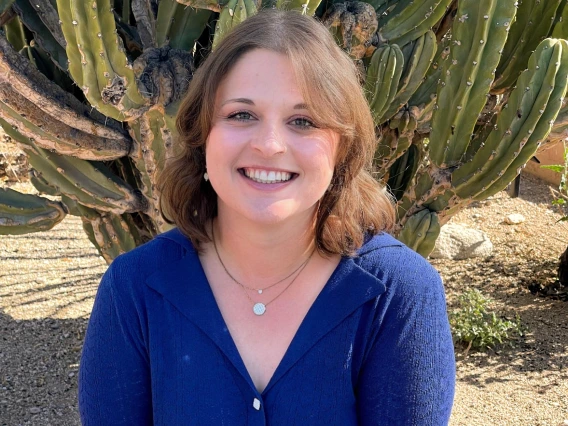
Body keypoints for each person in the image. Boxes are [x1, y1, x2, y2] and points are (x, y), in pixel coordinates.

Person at [78, 9, 455, 426]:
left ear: (342, 149)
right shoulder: (134, 288)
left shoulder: (397, 294)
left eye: (303, 121)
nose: (270, 144)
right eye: (242, 115)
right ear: (203, 136)